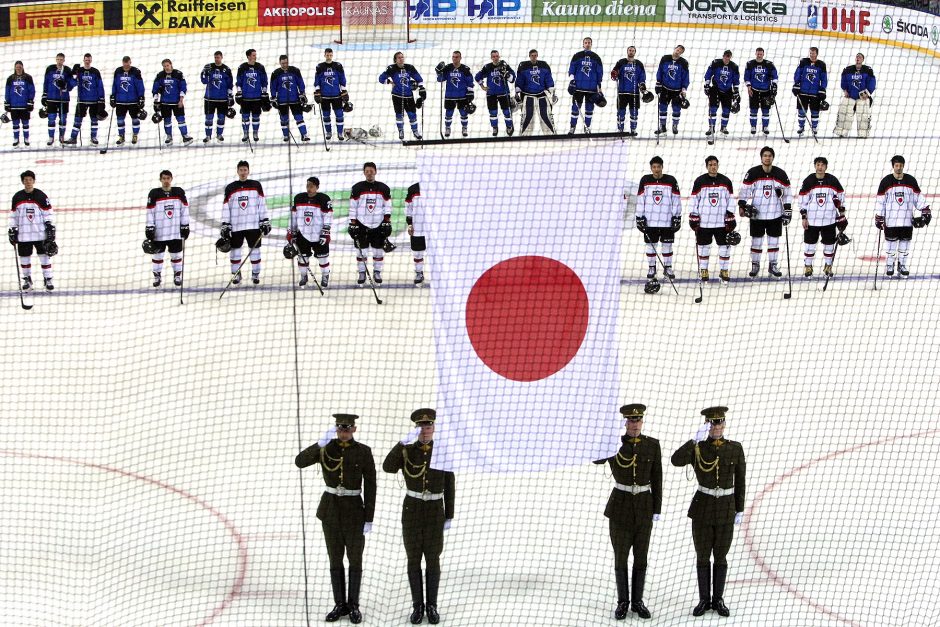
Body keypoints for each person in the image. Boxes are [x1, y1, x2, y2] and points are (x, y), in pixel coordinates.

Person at [295, 414, 376, 625]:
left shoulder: (363, 452)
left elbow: (371, 486)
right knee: (335, 559)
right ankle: (340, 604)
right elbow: (300, 462)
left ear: (354, 429)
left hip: (354, 512)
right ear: (336, 428)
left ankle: (354, 606)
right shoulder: (326, 449)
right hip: (330, 512)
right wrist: (318, 444)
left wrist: (369, 517)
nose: (344, 432)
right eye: (340, 428)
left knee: (355, 560)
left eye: (348, 428)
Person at [670, 406, 746, 618]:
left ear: (725, 423)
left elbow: (741, 481)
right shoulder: (698, 448)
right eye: (712, 423)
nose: (716, 426)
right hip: (702, 509)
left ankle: (718, 599)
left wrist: (739, 509)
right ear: (707, 425)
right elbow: (676, 461)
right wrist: (694, 440)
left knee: (721, 556)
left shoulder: (735, 448)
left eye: (719, 422)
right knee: (703, 556)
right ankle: (704, 599)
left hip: (726, 509)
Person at [383, 409, 455, 625]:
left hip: (434, 511)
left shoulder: (443, 451)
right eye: (420, 426)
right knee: (413, 559)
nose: (424, 430)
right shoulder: (407, 451)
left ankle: (431, 605)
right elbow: (387, 467)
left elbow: (450, 485)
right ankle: (417, 606)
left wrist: (449, 514)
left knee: (433, 559)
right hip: (412, 510)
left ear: (434, 427)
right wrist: (400, 445)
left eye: (428, 425)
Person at [593, 404, 662, 620]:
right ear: (625, 422)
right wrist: (607, 438)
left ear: (642, 421)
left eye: (638, 420)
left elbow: (657, 478)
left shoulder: (652, 445)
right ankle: (623, 602)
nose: (635, 424)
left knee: (641, 558)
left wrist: (656, 508)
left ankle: (638, 601)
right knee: (621, 558)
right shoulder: (614, 444)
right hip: (620, 509)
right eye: (631, 421)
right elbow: (596, 459)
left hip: (643, 508)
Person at [739, 146, 792, 278]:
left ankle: (773, 265)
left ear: (773, 157)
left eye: (769, 155)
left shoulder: (780, 173)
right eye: (765, 155)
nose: (767, 158)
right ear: (761, 157)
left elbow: (787, 193)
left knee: (774, 241)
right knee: (756, 241)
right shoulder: (752, 173)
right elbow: (745, 190)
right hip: (757, 215)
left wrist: (787, 210)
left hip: (775, 214)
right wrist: (742, 205)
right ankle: (755, 265)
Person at [875, 155, 930, 277]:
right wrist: (879, 216)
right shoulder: (886, 181)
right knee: (890, 246)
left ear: (903, 166)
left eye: (900, 165)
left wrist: (925, 210)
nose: (898, 167)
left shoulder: (910, 180)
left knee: (905, 245)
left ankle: (902, 265)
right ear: (893, 166)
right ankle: (890, 265)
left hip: (906, 221)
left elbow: (917, 198)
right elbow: (880, 201)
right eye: (896, 165)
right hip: (891, 221)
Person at [220, 160, 269, 285]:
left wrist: (264, 220)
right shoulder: (230, 187)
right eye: (241, 170)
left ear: (248, 171)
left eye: (245, 170)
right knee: (235, 251)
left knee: (255, 250)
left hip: (253, 225)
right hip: (236, 226)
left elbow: (262, 204)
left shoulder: (256, 185)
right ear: (237, 171)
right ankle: (236, 274)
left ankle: (255, 274)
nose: (243, 172)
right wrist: (225, 224)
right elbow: (226, 207)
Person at [690, 156, 737, 283]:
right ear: (707, 166)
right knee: (704, 247)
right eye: (710, 164)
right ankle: (704, 270)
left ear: (718, 165)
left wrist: (730, 216)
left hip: (721, 223)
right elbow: (694, 200)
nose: (713, 166)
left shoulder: (726, 181)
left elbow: (730, 200)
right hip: (704, 223)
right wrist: (693, 216)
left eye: (715, 164)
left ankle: (724, 270)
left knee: (724, 247)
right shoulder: (699, 181)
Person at [634, 156, 681, 285]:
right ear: (651, 168)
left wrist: (677, 216)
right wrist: (639, 217)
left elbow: (676, 199)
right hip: (650, 221)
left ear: (662, 167)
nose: (656, 170)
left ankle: (668, 268)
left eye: (658, 167)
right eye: (654, 167)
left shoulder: (671, 180)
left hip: (666, 221)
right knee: (651, 245)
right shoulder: (645, 180)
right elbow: (640, 199)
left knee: (667, 245)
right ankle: (652, 267)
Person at [798, 156, 847, 278]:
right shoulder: (809, 181)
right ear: (815, 166)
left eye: (822, 165)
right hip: (812, 220)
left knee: (829, 245)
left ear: (826, 167)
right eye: (818, 165)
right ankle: (808, 266)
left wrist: (841, 214)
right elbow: (802, 200)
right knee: (809, 245)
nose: (820, 167)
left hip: (829, 220)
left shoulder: (832, 180)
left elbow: (840, 196)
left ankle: (828, 266)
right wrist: (804, 217)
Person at [9, 170, 55, 291]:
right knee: (24, 257)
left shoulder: (41, 196)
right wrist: (12, 229)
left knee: (44, 257)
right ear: (22, 182)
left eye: (30, 179)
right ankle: (27, 279)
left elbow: (48, 212)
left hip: (40, 233)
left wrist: (50, 225)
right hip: (24, 235)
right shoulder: (17, 197)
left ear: (34, 181)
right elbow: (13, 215)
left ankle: (48, 279)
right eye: (25, 180)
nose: (28, 182)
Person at [348, 162, 392, 286]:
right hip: (362, 224)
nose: (369, 173)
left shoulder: (383, 188)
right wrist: (353, 223)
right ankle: (362, 273)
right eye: (367, 171)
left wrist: (386, 221)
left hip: (378, 224)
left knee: (378, 251)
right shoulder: (357, 188)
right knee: (361, 251)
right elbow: (353, 206)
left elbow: (387, 205)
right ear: (364, 172)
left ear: (375, 171)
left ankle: (377, 272)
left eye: (371, 171)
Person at [144, 170, 190, 287]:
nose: (166, 181)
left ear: (171, 179)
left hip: (175, 232)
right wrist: (150, 227)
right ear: (160, 180)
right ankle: (157, 276)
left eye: (168, 178)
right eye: (164, 178)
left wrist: (185, 225)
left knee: (176, 255)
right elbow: (150, 212)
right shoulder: (154, 193)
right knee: (157, 256)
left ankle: (177, 275)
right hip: (159, 233)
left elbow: (184, 210)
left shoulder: (179, 192)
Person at [287, 176, 333, 288]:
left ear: (317, 187)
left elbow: (328, 216)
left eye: (311, 186)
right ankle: (303, 276)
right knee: (302, 257)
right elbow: (293, 216)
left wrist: (325, 232)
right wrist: (291, 232)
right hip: (303, 234)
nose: (309, 188)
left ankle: (325, 276)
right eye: (308, 185)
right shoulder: (298, 198)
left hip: (319, 235)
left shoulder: (324, 199)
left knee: (323, 258)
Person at [378, 52, 424, 141]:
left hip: (409, 96)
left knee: (412, 114)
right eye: (399, 57)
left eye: (402, 57)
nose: (401, 59)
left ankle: (415, 131)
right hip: (397, 96)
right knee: (399, 115)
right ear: (395, 59)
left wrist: (421, 88)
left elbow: (419, 79)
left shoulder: (409, 67)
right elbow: (381, 79)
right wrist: (389, 82)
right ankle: (401, 131)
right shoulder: (391, 68)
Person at [64, 53, 105, 145]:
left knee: (94, 120)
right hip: (82, 100)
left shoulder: (95, 71)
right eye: (86, 60)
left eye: (89, 60)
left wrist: (101, 99)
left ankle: (93, 137)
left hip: (94, 100)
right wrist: (74, 75)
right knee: (77, 120)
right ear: (84, 60)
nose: (87, 61)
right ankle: (73, 138)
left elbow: (100, 86)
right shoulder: (80, 71)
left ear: (91, 60)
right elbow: (73, 84)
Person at [610, 47, 651, 137]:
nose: (631, 52)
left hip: (634, 93)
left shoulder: (639, 64)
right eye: (630, 50)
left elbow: (642, 76)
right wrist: (614, 73)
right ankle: (620, 129)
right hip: (622, 92)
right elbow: (615, 72)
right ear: (627, 51)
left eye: (633, 50)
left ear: (635, 52)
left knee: (634, 112)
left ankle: (633, 129)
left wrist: (642, 85)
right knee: (621, 112)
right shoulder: (621, 62)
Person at [567, 36, 604, 134]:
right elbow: (572, 69)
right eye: (586, 42)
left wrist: (599, 88)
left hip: (591, 89)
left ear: (591, 44)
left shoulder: (596, 57)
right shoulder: (577, 56)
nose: (587, 44)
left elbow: (599, 73)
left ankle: (587, 128)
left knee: (589, 109)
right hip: (578, 88)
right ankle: (572, 127)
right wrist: (572, 81)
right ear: (583, 44)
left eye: (589, 42)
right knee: (575, 108)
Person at [515, 49, 556, 136]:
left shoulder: (544, 65)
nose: (534, 57)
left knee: (546, 116)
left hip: (542, 95)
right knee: (528, 117)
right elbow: (520, 79)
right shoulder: (523, 66)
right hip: (528, 96)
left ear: (537, 56)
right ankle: (524, 136)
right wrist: (517, 91)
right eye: (532, 55)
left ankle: (551, 135)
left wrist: (552, 91)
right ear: (529, 56)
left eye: (535, 55)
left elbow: (548, 78)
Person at [270, 54, 311, 143]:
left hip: (295, 99)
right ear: (280, 63)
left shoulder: (295, 70)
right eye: (283, 63)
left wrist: (302, 93)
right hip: (282, 100)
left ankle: (304, 135)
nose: (285, 65)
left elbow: (300, 83)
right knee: (284, 118)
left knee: (299, 117)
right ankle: (286, 135)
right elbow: (273, 87)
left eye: (286, 62)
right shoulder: (275, 73)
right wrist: (273, 98)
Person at [474, 50, 515, 137]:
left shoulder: (504, 65)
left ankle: (509, 126)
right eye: (493, 56)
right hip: (491, 94)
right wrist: (482, 86)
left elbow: (512, 79)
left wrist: (506, 74)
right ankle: (495, 127)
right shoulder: (487, 67)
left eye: (497, 56)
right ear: (491, 57)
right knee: (493, 113)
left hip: (503, 93)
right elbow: (477, 76)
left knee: (507, 112)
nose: (495, 58)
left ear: (499, 56)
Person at [834, 53, 876, 139]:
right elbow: (843, 81)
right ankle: (841, 132)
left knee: (863, 115)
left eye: (860, 57)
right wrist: (845, 90)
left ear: (863, 59)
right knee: (845, 113)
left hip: (862, 97)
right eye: (857, 56)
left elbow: (872, 82)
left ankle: (863, 134)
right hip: (850, 96)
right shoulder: (848, 69)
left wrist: (867, 93)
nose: (858, 58)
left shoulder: (868, 70)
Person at [152, 58, 193, 145]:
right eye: (164, 66)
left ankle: (185, 136)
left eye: (167, 65)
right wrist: (156, 100)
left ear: (171, 64)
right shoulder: (160, 75)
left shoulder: (178, 74)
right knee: (167, 121)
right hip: (165, 103)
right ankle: (169, 136)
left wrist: (181, 100)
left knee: (181, 119)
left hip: (176, 102)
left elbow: (183, 87)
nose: (166, 67)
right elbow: (155, 88)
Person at [435, 51, 475, 138]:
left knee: (463, 113)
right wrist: (438, 72)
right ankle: (447, 128)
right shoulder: (448, 67)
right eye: (453, 57)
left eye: (457, 57)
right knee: (448, 113)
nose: (454, 58)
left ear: (460, 58)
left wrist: (470, 92)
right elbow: (440, 79)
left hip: (462, 95)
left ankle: (464, 128)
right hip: (450, 95)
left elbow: (470, 81)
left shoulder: (465, 69)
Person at [703, 50, 740, 142]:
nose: (727, 58)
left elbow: (736, 80)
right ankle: (711, 127)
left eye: (729, 57)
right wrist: (707, 84)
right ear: (723, 56)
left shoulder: (734, 66)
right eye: (726, 56)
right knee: (713, 108)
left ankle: (723, 127)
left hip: (727, 91)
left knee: (726, 110)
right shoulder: (716, 63)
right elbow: (708, 74)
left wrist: (736, 90)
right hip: (715, 89)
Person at [314, 48, 349, 141]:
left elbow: (342, 79)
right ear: (324, 55)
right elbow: (317, 80)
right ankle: (328, 132)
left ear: (332, 55)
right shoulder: (320, 66)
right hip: (324, 96)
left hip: (336, 96)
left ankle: (340, 132)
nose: (329, 57)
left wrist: (344, 91)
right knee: (326, 115)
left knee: (339, 115)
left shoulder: (338, 66)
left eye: (330, 55)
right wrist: (317, 92)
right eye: (327, 55)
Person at [654, 45, 689, 135]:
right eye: (677, 49)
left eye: (680, 51)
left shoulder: (683, 62)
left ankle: (675, 125)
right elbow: (660, 71)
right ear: (674, 49)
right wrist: (658, 83)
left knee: (676, 109)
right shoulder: (665, 58)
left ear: (681, 53)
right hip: (665, 88)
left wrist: (684, 89)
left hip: (677, 91)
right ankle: (662, 127)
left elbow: (685, 77)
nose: (678, 51)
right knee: (662, 107)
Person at [793, 47, 828, 137]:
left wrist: (822, 89)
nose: (812, 55)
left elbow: (824, 78)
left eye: (814, 53)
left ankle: (814, 128)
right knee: (801, 111)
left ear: (817, 54)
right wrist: (796, 84)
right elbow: (797, 73)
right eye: (811, 53)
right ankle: (801, 127)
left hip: (815, 93)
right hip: (803, 91)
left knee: (815, 112)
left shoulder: (821, 64)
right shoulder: (803, 62)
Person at [111, 56, 146, 145]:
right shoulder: (118, 71)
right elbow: (114, 85)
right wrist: (113, 96)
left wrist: (141, 97)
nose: (126, 65)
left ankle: (135, 135)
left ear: (130, 62)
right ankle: (121, 136)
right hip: (120, 101)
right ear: (122, 62)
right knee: (120, 119)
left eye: (128, 63)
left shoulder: (136, 71)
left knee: (135, 119)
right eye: (124, 63)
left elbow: (140, 85)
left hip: (133, 101)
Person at [200, 50, 234, 143]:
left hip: (223, 99)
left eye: (218, 57)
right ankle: (208, 136)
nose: (216, 59)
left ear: (222, 57)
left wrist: (230, 95)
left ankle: (219, 134)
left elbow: (229, 84)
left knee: (221, 117)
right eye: (215, 57)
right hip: (209, 98)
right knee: (208, 118)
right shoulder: (209, 67)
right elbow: (204, 81)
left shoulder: (226, 69)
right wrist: (203, 72)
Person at [235, 49, 268, 143]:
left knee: (256, 117)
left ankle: (255, 133)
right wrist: (239, 92)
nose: (255, 56)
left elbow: (264, 80)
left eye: (255, 55)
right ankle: (245, 134)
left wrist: (264, 92)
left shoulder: (260, 67)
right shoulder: (242, 67)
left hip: (257, 97)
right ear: (248, 56)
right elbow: (239, 81)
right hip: (245, 98)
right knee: (245, 117)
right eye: (253, 55)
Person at [41, 52, 75, 146]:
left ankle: (61, 136)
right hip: (51, 98)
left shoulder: (67, 70)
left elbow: (72, 84)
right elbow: (46, 82)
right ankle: (51, 137)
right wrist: (44, 95)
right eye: (58, 59)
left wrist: (65, 85)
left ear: (64, 60)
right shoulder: (50, 69)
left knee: (63, 119)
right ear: (56, 59)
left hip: (63, 99)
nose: (59, 61)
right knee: (51, 118)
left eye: (61, 59)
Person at [743, 47, 778, 136]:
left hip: (766, 91)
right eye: (758, 54)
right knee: (753, 110)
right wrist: (749, 86)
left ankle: (765, 127)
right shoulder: (750, 64)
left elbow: (775, 76)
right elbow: (747, 77)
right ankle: (753, 126)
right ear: (755, 54)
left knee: (766, 110)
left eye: (761, 54)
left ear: (763, 54)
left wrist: (774, 85)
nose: (759, 55)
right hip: (754, 91)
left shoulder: (769, 64)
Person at [4, 61, 35, 147]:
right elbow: (7, 91)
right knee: (15, 124)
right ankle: (16, 139)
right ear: (15, 67)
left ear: (22, 67)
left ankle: (26, 139)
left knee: (25, 123)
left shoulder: (28, 78)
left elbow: (31, 90)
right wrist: (7, 102)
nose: (18, 68)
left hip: (24, 105)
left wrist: (30, 101)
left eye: (20, 67)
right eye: (17, 67)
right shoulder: (10, 78)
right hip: (14, 106)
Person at [405, 182, 426, 286]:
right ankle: (419, 273)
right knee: (418, 253)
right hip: (417, 227)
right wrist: (409, 224)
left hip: (434, 228)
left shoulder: (437, 186)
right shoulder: (412, 189)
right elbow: (408, 208)